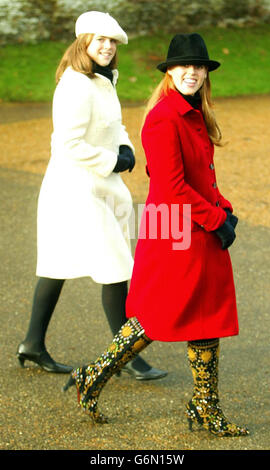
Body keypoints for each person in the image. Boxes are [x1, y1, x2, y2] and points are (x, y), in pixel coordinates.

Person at [63, 33, 249, 437]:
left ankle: (204, 407)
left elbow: (202, 178)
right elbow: (172, 187)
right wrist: (216, 220)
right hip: (177, 229)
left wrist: (225, 208)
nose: (192, 72)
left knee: (206, 316)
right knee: (158, 313)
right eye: (183, 65)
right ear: (169, 71)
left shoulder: (194, 112)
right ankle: (92, 376)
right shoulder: (164, 116)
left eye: (198, 66)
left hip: (196, 224)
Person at [16, 11, 167, 381]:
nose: (107, 46)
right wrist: (113, 160)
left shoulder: (103, 79)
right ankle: (127, 355)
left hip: (98, 184)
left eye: (112, 41)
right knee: (116, 266)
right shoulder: (76, 85)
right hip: (75, 187)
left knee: (56, 265)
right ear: (83, 41)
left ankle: (32, 344)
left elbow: (114, 125)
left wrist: (126, 147)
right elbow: (67, 144)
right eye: (100, 39)